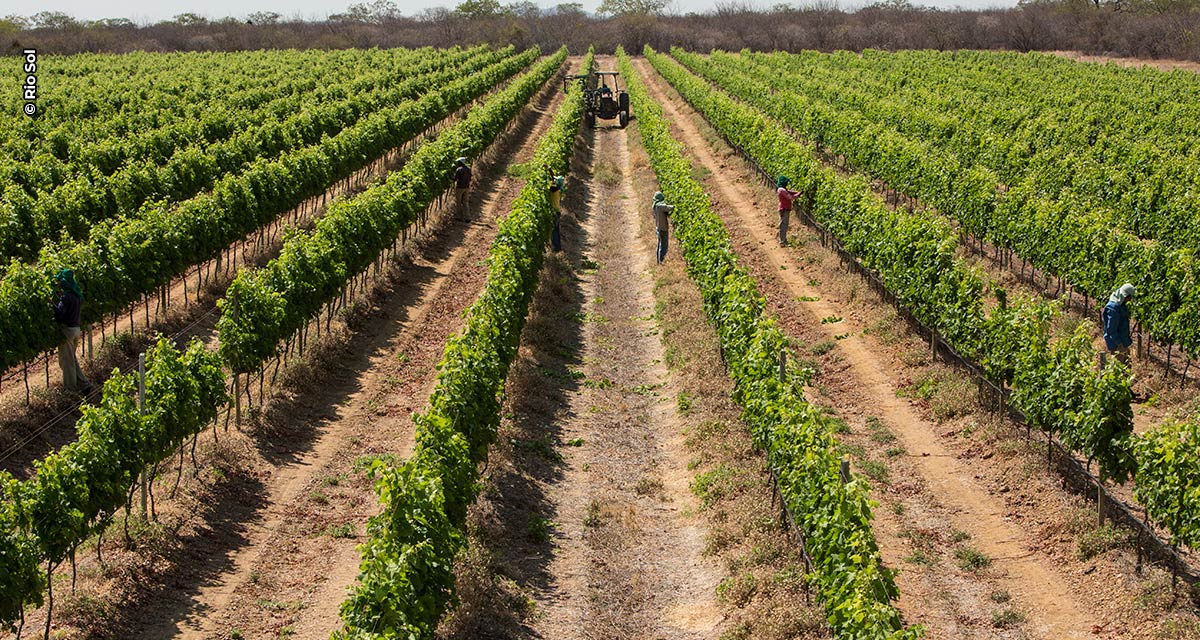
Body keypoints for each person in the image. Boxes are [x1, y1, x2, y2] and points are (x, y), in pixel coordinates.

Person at [53, 268, 93, 396]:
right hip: (76, 329)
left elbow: (59, 314)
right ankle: (84, 384)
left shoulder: (66, 297)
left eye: (59, 281)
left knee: (67, 361)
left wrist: (51, 305)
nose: (58, 283)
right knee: (71, 359)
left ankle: (70, 389)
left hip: (68, 331)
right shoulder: (77, 295)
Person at [1103, 283, 1136, 364]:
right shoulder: (1113, 308)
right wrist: (1119, 344)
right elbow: (1111, 330)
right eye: (1129, 297)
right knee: (1119, 368)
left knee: (1126, 367)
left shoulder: (1121, 304)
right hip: (1117, 345)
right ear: (1125, 296)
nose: (1130, 300)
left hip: (1123, 342)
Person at [776, 176, 800, 247]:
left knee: (784, 224)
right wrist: (798, 195)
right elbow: (790, 197)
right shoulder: (782, 190)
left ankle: (783, 240)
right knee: (783, 225)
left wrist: (797, 192)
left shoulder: (781, 189)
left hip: (784, 209)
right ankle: (782, 241)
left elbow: (789, 192)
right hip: (784, 209)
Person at [652, 191, 675, 264]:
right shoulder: (659, 206)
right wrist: (675, 206)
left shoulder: (655, 206)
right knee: (664, 245)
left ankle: (658, 260)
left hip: (658, 228)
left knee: (659, 244)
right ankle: (661, 261)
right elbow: (668, 208)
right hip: (663, 228)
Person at [549, 169, 566, 252]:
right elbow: (553, 178)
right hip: (557, 212)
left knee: (554, 231)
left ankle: (556, 249)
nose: (553, 181)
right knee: (556, 230)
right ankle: (557, 248)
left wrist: (550, 172)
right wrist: (549, 169)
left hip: (555, 213)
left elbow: (550, 185)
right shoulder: (558, 189)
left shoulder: (554, 190)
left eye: (555, 180)